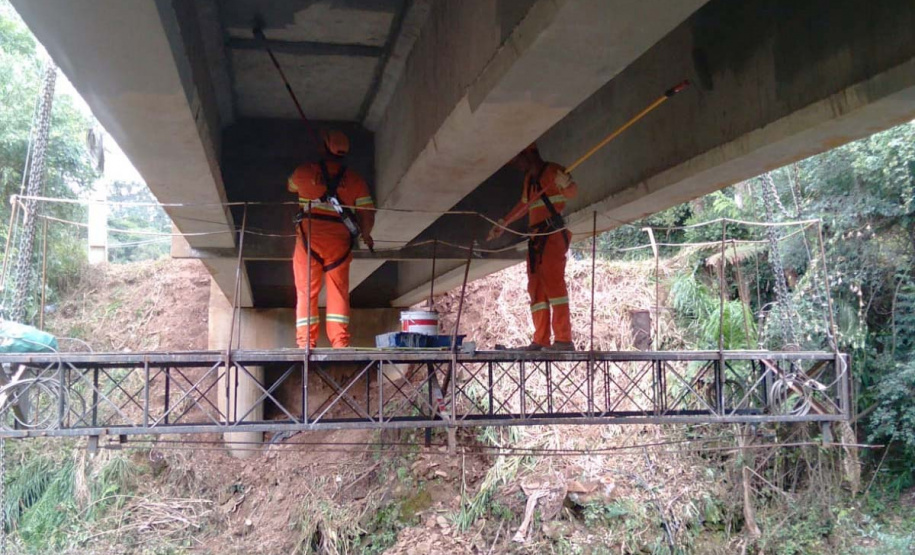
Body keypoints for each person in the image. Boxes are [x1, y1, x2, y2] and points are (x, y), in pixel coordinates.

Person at [287, 130, 375, 348]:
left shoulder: (304, 172)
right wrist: (366, 234)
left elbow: (291, 186)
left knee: (306, 291)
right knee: (338, 292)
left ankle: (306, 343)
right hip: (339, 243)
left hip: (309, 240)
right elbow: (367, 213)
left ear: (323, 148)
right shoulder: (355, 180)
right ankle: (340, 342)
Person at [487, 143, 578, 351]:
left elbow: (571, 193)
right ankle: (541, 339)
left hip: (552, 235)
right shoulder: (530, 180)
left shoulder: (554, 171)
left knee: (555, 285)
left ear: (529, 155)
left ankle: (564, 339)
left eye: (518, 160)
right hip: (537, 238)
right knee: (537, 289)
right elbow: (525, 205)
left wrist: (568, 183)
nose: (517, 165)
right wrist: (504, 222)